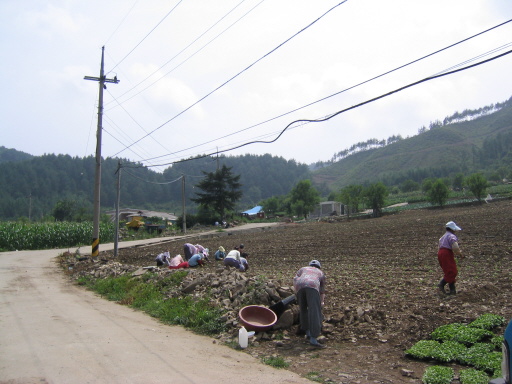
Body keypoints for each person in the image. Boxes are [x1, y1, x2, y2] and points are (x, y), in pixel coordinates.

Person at [293, 260, 326, 348]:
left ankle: (307, 332)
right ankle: (313, 338)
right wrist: (321, 302)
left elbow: (295, 279)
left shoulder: (303, 269)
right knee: (314, 311)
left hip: (299, 286)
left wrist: (297, 292)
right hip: (312, 286)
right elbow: (322, 291)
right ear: (319, 267)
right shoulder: (320, 273)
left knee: (303, 310)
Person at [437, 221, 465, 295]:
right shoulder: (451, 236)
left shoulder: (442, 237)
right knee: (452, 271)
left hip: (440, 253)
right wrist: (460, 254)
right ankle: (442, 284)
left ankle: (452, 290)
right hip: (446, 253)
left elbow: (439, 247)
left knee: (448, 271)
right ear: (452, 229)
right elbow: (455, 247)